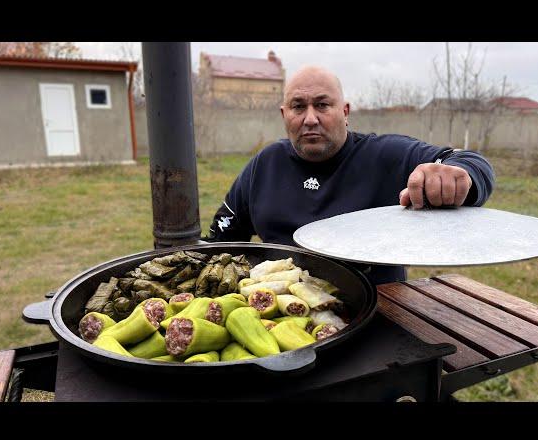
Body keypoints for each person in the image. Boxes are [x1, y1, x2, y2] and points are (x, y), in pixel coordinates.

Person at [204, 66, 495, 285]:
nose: (310, 118)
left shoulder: (384, 155)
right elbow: (221, 243)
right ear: (284, 115)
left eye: (322, 105)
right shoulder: (263, 166)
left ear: (345, 111)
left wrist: (459, 174)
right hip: (278, 321)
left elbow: (469, 161)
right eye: (298, 107)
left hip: (381, 316)